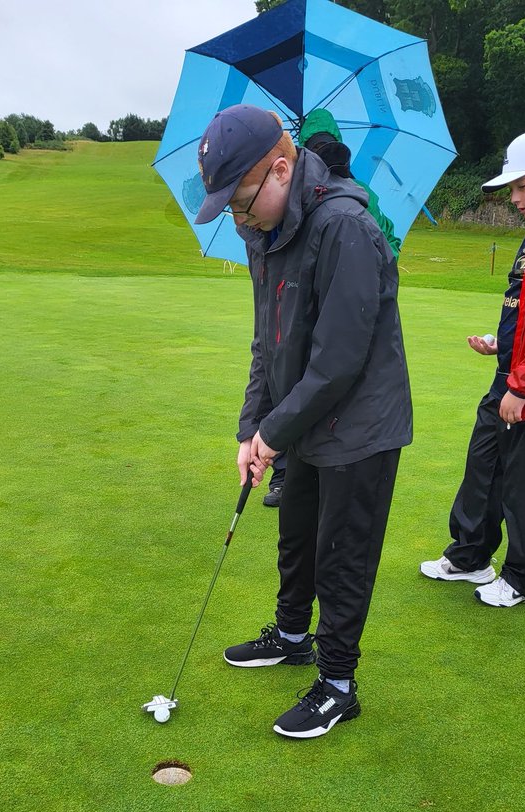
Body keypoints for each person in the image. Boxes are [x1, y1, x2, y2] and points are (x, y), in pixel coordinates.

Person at [195, 104, 412, 739]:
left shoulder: (345, 226)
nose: (238, 218)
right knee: (296, 537)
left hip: (361, 424)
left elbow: (339, 361)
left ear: (282, 170)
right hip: (306, 420)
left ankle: (338, 684)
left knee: (343, 555)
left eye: (240, 202)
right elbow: (269, 343)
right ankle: (292, 636)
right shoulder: (265, 236)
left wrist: (272, 433)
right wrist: (249, 429)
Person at [420, 128, 525, 607]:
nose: (515, 196)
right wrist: (499, 345)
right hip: (513, 375)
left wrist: (521, 384)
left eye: (523, 185)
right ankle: (470, 556)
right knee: (484, 464)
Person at [259, 110, 401, 509]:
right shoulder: (281, 218)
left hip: (354, 415)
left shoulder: (350, 208)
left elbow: (339, 355)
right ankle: (286, 472)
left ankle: (284, 470)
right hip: (310, 395)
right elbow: (267, 342)